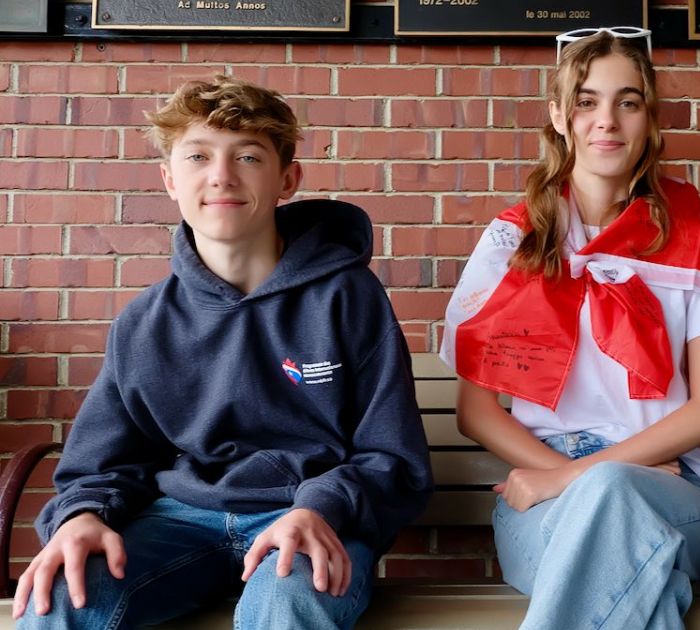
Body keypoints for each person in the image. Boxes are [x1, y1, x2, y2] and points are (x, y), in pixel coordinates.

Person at [12, 75, 433, 629]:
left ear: (288, 178)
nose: (221, 176)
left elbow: (393, 457)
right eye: (197, 156)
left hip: (308, 517)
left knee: (290, 597)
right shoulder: (145, 322)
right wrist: (82, 516)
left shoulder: (348, 299)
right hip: (179, 521)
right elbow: (101, 462)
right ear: (169, 179)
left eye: (249, 157)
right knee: (62, 596)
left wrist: (319, 506)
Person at [439, 27, 700, 630]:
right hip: (544, 486)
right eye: (586, 101)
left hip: (667, 486)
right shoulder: (514, 241)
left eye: (628, 101)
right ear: (559, 116)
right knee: (644, 588)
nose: (606, 120)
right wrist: (570, 478)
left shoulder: (688, 235)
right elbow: (476, 412)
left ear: (649, 118)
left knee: (614, 497)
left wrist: (579, 477)